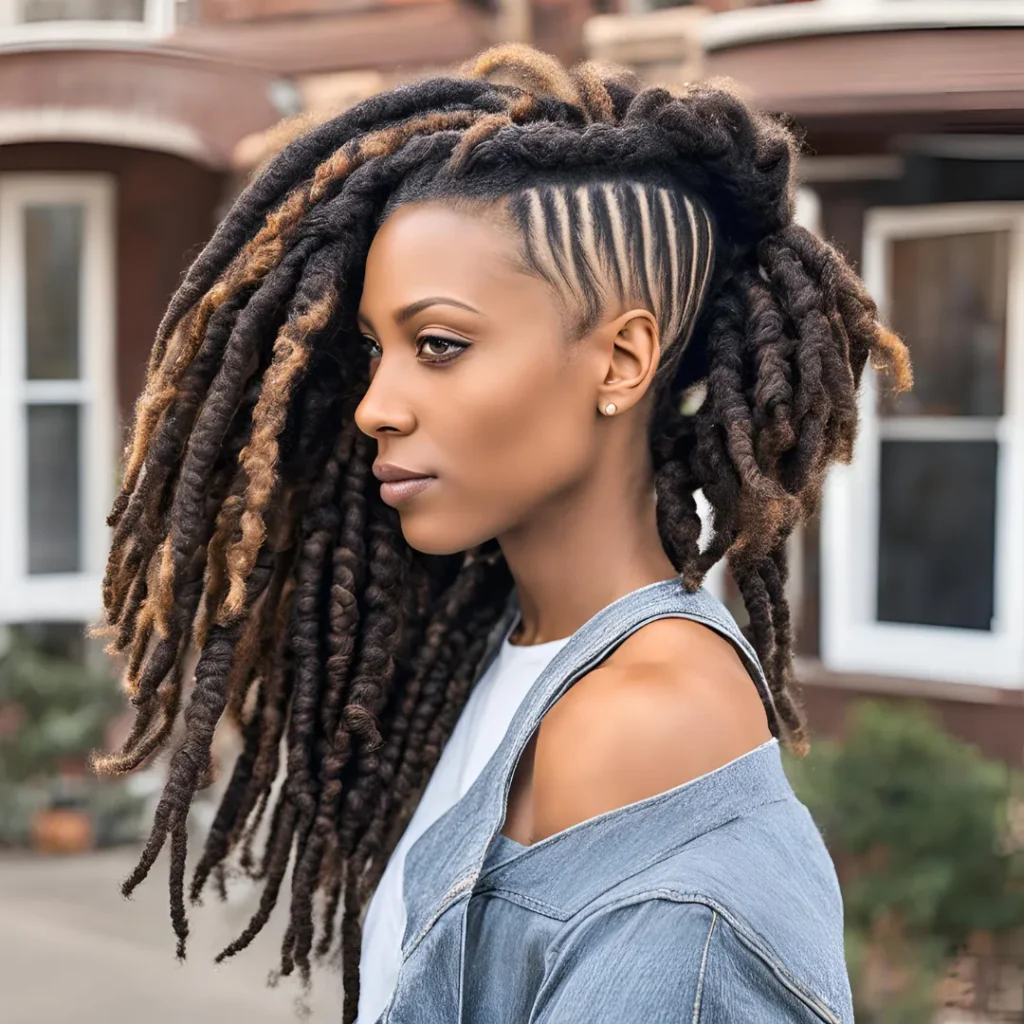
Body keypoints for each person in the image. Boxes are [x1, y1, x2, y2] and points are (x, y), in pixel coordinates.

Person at [93, 43, 912, 1023]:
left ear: (621, 359)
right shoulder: (513, 649)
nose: (375, 406)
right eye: (375, 350)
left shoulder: (634, 728)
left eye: (439, 345)